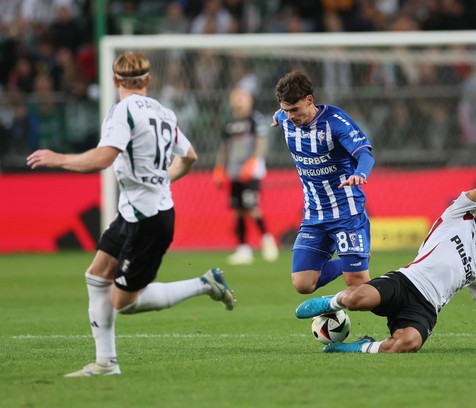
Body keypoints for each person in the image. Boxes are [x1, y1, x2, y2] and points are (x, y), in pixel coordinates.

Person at [26, 52, 236, 376]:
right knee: (96, 274)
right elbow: (190, 156)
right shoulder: (164, 112)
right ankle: (105, 363)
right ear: (148, 81)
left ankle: (205, 283)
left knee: (122, 302)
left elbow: (102, 158)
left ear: (115, 82)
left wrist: (59, 158)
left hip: (148, 221)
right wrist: (163, 179)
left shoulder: (122, 111)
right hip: (135, 213)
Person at [295, 177, 476, 353]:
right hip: (406, 282)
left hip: (426, 309)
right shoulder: (458, 215)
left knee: (407, 344)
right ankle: (332, 303)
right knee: (357, 297)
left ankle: (356, 347)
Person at [272, 71, 375, 294]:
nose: (290, 116)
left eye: (295, 110)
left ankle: (358, 265)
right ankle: (355, 259)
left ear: (310, 99)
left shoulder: (336, 123)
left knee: (358, 286)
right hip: (314, 216)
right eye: (286, 110)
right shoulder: (284, 118)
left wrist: (360, 174)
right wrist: (277, 115)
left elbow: (365, 153)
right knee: (302, 284)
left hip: (346, 213)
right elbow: (280, 115)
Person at [213, 87, 278, 265]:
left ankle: (267, 239)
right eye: (236, 97)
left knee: (252, 207)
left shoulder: (255, 120)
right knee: (237, 211)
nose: (239, 101)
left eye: (242, 97)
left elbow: (261, 143)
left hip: (251, 173)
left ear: (249, 100)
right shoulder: (229, 124)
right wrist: (219, 168)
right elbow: (224, 149)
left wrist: (252, 163)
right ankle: (243, 249)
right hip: (234, 173)